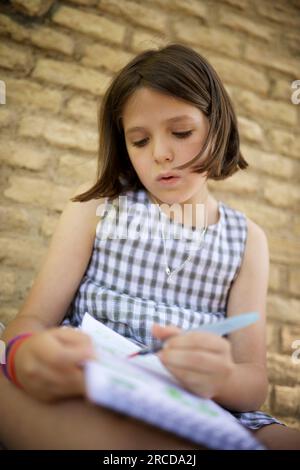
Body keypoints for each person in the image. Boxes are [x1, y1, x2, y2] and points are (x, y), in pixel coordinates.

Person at [1, 43, 299, 450]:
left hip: (201, 406)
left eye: (181, 132)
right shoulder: (94, 210)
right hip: (91, 384)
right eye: (139, 141)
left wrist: (221, 377)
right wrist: (27, 354)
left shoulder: (248, 240)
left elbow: (253, 383)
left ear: (218, 126)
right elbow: (31, 320)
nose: (161, 154)